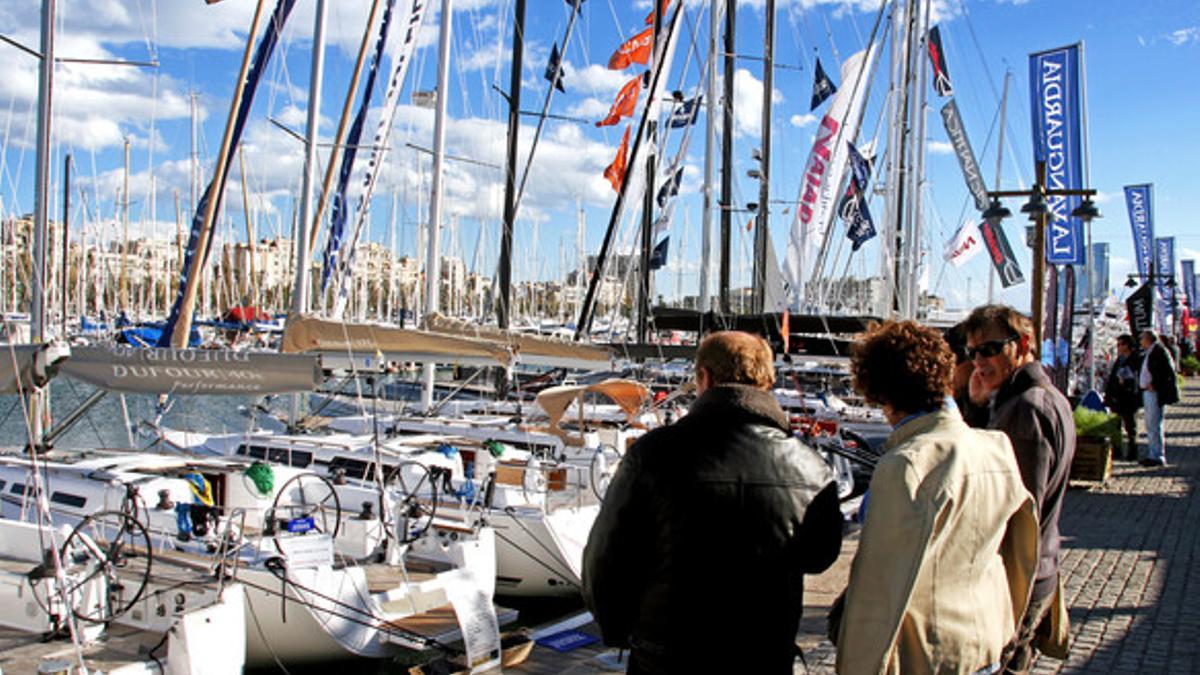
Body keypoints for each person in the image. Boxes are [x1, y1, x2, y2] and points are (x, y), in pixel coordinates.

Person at [582, 331, 843, 674]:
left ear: (704, 377)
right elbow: (820, 556)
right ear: (766, 380)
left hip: (667, 655)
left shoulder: (654, 454)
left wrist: (618, 631)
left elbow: (606, 559)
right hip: (764, 654)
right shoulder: (811, 467)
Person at [835, 320, 1039, 675]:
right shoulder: (996, 449)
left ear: (878, 390)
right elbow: (1022, 551)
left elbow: (879, 587)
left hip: (927, 652)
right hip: (986, 638)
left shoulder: (906, 466)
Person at [964, 305, 1075, 674]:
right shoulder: (1046, 397)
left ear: (1022, 344)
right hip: (1037, 570)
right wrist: (979, 407)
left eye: (990, 349)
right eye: (972, 352)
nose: (979, 361)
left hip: (1017, 581)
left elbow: (1015, 509)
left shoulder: (1026, 409)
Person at [1139, 329, 1179, 467]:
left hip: (1154, 392)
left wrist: (1154, 384)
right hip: (1149, 392)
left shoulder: (1159, 351)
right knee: (1150, 425)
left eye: (1142, 338)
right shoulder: (1151, 351)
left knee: (1154, 424)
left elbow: (1167, 372)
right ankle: (1153, 453)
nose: (1140, 341)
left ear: (1149, 339)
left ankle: (1157, 456)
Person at [1103, 334, 1142, 461]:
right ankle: (1117, 451)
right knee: (1115, 425)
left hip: (1129, 397)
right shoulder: (1119, 359)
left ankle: (1132, 452)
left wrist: (1126, 383)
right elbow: (1113, 377)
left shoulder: (1135, 359)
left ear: (1127, 345)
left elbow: (1136, 378)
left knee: (1131, 426)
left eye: (1120, 344)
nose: (1118, 347)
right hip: (1117, 397)